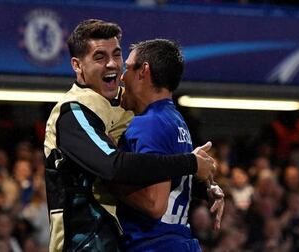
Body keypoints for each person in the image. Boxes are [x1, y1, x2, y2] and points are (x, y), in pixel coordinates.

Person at [44, 19, 217, 251]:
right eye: (99, 57)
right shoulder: (73, 112)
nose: (113, 65)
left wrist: (200, 187)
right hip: (84, 243)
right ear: (77, 65)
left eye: (116, 55)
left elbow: (154, 171)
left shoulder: (133, 107)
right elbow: (113, 166)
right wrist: (190, 164)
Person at [111, 39, 224, 251]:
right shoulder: (174, 119)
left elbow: (154, 203)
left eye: (127, 68)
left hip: (153, 245)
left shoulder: (149, 124)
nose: (122, 77)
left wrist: (105, 176)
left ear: (144, 71)